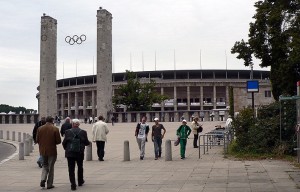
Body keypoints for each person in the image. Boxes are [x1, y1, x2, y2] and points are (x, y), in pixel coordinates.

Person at [62, 119, 90, 191]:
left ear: (72, 124)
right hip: (80, 152)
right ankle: (80, 181)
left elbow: (64, 142)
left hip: (70, 153)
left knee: (71, 169)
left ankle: (73, 184)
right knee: (80, 167)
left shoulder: (67, 132)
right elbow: (87, 142)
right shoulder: (83, 132)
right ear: (79, 124)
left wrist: (66, 149)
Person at [36, 116, 61, 189]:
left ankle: (43, 179)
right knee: (51, 167)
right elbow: (58, 141)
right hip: (52, 150)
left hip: (42, 150)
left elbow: (37, 140)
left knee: (44, 165)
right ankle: (49, 184)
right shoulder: (55, 129)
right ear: (52, 121)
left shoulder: (40, 128)